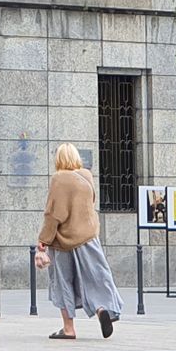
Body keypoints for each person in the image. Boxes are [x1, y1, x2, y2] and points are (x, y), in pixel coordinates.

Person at [35, 143, 123, 341]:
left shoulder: (59, 178)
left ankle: (68, 329)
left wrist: (43, 240)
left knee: (63, 282)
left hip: (63, 242)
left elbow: (54, 213)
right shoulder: (86, 175)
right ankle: (102, 310)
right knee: (94, 277)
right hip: (88, 238)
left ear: (58, 159)